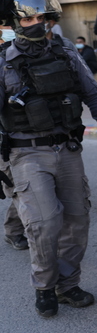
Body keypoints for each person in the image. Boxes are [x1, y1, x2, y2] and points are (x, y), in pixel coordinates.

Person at [0, 0, 97, 317]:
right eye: (31, 19)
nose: (40, 24)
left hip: (67, 147)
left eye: (45, 17)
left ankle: (67, 284)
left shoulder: (67, 54)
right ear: (16, 22)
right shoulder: (4, 62)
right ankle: (44, 286)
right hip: (26, 152)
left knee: (77, 219)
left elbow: (93, 93)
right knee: (44, 222)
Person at [0, 23, 26, 252]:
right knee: (19, 189)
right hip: (5, 140)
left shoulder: (23, 52)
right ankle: (13, 231)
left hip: (28, 134)